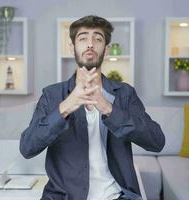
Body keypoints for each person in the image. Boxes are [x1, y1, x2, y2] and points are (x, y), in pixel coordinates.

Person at [20, 15, 165, 200]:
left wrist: (108, 108)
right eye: (82, 38)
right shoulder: (52, 95)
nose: (90, 44)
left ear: (106, 48)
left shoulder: (125, 94)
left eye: (97, 38)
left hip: (116, 195)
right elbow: (27, 148)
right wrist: (65, 107)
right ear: (72, 47)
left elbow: (157, 141)